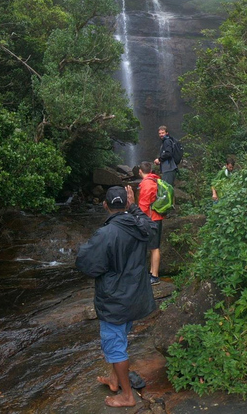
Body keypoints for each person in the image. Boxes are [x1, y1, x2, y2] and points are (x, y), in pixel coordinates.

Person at [75, 185, 156, 408]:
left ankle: (127, 396)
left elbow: (87, 266)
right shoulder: (140, 226)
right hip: (135, 296)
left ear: (105, 205)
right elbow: (150, 227)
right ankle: (114, 380)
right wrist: (136, 208)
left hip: (114, 300)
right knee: (119, 338)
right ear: (126, 204)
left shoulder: (106, 233)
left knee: (114, 345)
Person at [137, 161, 164, 285]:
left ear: (140, 171)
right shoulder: (155, 180)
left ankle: (154, 276)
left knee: (154, 248)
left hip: (151, 219)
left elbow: (143, 205)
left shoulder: (147, 184)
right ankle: (152, 273)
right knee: (154, 247)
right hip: (157, 217)